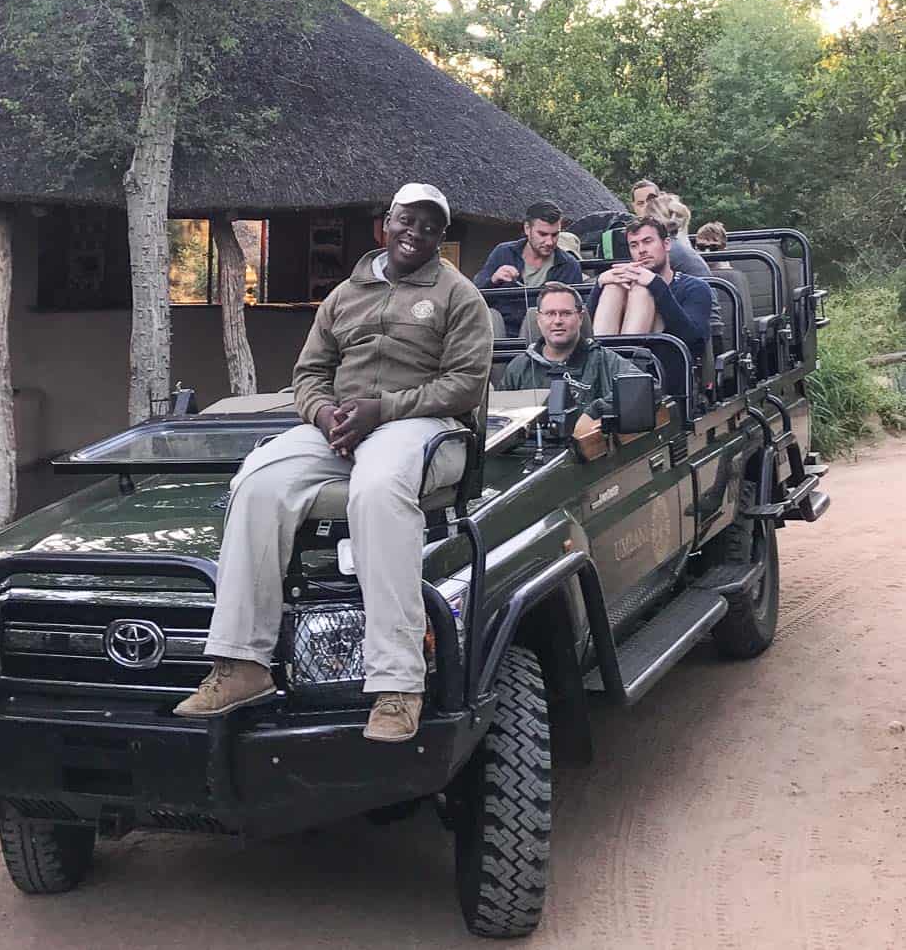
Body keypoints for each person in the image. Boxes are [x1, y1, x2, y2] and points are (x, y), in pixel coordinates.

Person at [174, 183, 493, 743]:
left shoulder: (458, 295)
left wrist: (382, 410)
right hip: (342, 425)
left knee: (377, 489)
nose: (415, 234)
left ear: (441, 238)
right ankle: (242, 663)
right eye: (406, 221)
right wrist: (325, 417)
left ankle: (397, 683)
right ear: (385, 224)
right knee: (258, 482)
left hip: (423, 425)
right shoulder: (345, 295)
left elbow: (465, 385)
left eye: (429, 228)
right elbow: (308, 375)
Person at [589, 217, 713, 399]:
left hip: (664, 375)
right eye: (634, 245)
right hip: (609, 376)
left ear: (666, 244)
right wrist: (598, 286)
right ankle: (608, 377)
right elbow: (584, 332)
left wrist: (657, 286)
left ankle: (625, 376)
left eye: (648, 241)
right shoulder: (620, 288)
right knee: (612, 286)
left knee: (641, 290)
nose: (641, 250)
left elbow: (694, 340)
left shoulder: (694, 287)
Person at [500, 283, 639, 411]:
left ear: (580, 317)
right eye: (550, 314)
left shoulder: (604, 361)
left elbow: (645, 388)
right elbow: (499, 415)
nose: (557, 321)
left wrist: (595, 412)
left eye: (566, 313)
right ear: (538, 319)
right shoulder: (518, 367)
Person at [472, 200, 584, 334]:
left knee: (533, 317)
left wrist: (561, 295)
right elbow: (474, 298)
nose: (549, 242)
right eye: (542, 234)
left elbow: (579, 312)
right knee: (491, 317)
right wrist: (493, 281)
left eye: (555, 235)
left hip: (546, 338)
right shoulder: (503, 253)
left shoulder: (569, 265)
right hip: (502, 334)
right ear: (527, 229)